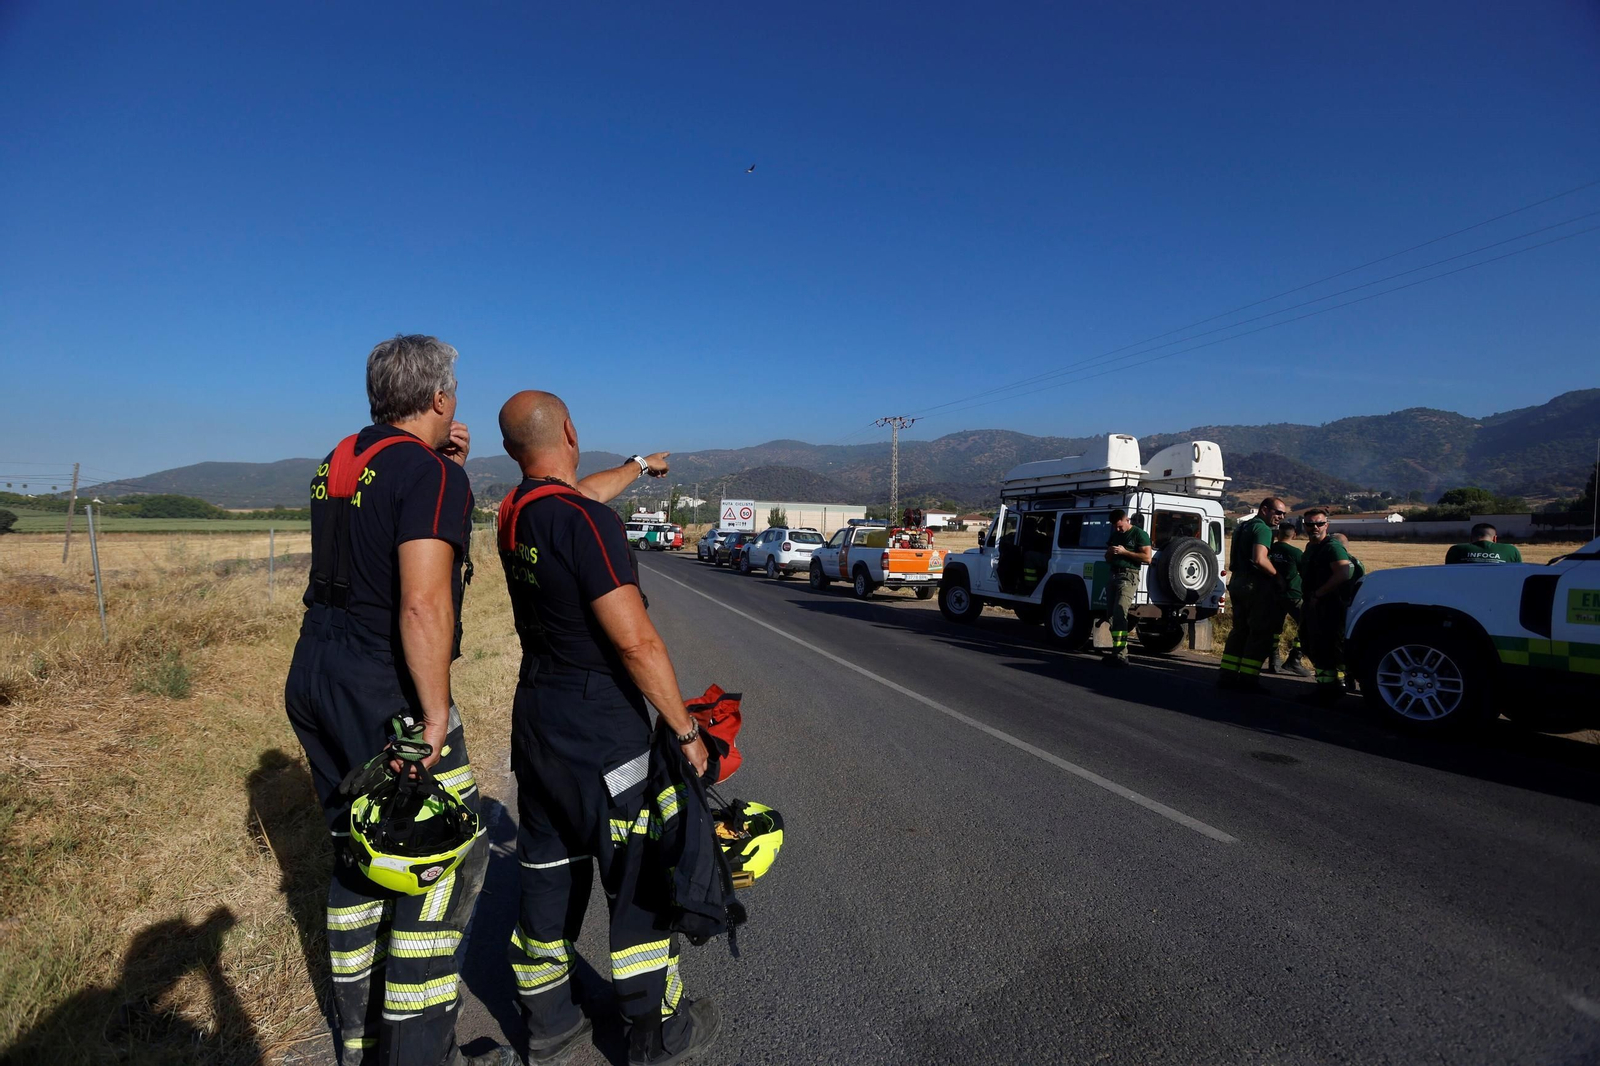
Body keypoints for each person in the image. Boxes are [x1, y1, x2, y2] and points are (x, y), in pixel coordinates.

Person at [283, 335, 510, 1066]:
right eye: (453, 396)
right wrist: (435, 711)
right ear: (440, 397)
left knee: (360, 850)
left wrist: (440, 460)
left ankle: (360, 1041)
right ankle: (418, 1053)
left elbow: (374, 527)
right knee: (445, 858)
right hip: (384, 687)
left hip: (315, 672)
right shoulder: (433, 477)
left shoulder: (337, 462)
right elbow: (420, 603)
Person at [494, 391, 719, 1066]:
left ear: (513, 451)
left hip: (537, 717)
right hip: (600, 725)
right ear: (569, 429)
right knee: (640, 876)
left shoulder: (516, 512)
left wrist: (636, 468)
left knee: (548, 871)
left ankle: (548, 1023)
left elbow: (580, 491)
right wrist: (684, 731)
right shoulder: (587, 525)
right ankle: (656, 1034)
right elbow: (637, 643)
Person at [1218, 497, 1288, 690]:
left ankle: (1228, 675)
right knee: (1259, 633)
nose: (1280, 517)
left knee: (1239, 631)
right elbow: (1259, 559)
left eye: (1284, 514)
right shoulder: (1263, 529)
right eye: (1277, 512)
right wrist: (1278, 577)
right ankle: (1249, 679)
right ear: (1264, 510)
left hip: (1237, 581)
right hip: (1254, 585)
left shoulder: (1244, 526)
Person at [1299, 509, 1355, 704]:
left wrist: (1319, 594)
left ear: (1326, 525)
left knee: (1325, 647)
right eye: (1310, 524)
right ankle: (1330, 686)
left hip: (1328, 605)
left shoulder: (1331, 547)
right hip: (1314, 604)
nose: (1314, 527)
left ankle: (1328, 690)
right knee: (1313, 644)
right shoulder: (1311, 547)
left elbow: (1343, 573)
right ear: (1304, 525)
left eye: (1319, 524)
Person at [1103, 508, 1153, 666]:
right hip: (1113, 574)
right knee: (1111, 614)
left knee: (1120, 611)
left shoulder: (1139, 534)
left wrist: (1125, 552)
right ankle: (1116, 650)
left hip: (1128, 576)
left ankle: (1121, 654)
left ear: (1127, 520)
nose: (1118, 529)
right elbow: (1107, 558)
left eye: (1120, 526)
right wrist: (1110, 552)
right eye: (1115, 527)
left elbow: (1147, 558)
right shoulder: (1115, 535)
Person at [1265, 523, 1311, 677]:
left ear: (1278, 534)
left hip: (1273, 594)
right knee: (1307, 625)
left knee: (1274, 629)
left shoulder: (1269, 550)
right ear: (1294, 535)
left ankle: (1274, 660)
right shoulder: (1295, 552)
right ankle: (1295, 658)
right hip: (1293, 595)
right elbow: (1305, 572)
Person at [1445, 523, 1524, 564]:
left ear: (1471, 538)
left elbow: (1449, 574)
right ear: (1495, 538)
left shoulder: (1455, 550)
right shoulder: (1511, 550)